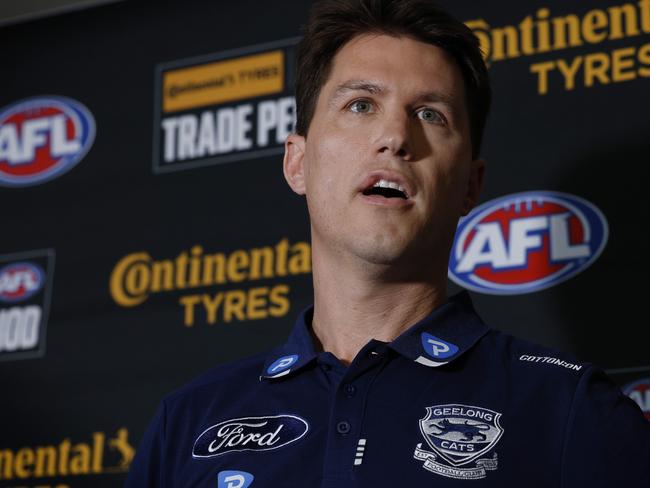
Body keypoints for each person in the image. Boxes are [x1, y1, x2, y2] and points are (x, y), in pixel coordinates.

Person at [125, 0, 650, 486]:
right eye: (360, 105)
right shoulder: (188, 422)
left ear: (470, 184)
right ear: (297, 162)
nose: (396, 136)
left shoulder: (570, 410)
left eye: (431, 115)